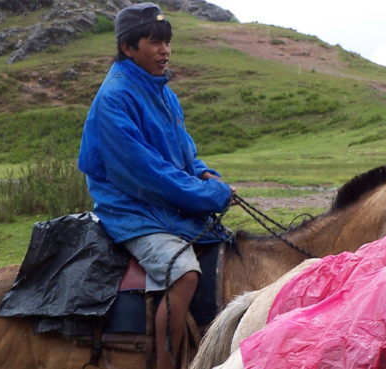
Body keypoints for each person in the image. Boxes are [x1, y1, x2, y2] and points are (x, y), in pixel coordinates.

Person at [77, 3, 234, 368]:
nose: (165, 51)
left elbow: (183, 153)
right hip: (132, 210)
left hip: (161, 205)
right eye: (154, 43)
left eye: (167, 43)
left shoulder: (163, 92)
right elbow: (149, 174)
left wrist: (204, 173)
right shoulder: (114, 99)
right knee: (183, 274)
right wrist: (208, 195)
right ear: (129, 48)